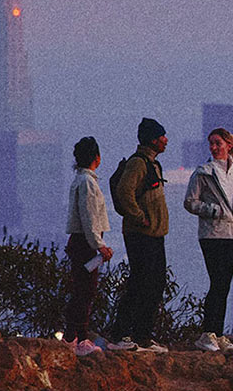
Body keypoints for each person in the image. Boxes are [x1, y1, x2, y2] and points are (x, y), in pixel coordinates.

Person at [183, 126, 233, 351]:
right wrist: (213, 210)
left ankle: (218, 333)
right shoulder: (203, 172)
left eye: (217, 143)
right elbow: (190, 202)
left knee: (224, 284)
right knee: (217, 282)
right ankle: (207, 333)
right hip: (211, 233)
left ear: (228, 145)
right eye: (211, 143)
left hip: (231, 234)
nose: (213, 147)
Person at [107, 117, 173, 351]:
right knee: (139, 284)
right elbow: (125, 192)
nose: (166, 140)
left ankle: (143, 335)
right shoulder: (138, 163)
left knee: (155, 284)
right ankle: (121, 335)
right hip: (141, 235)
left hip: (155, 235)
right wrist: (139, 217)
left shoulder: (153, 164)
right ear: (153, 139)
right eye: (162, 136)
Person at [64, 136, 114, 356]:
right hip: (85, 243)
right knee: (85, 291)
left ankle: (72, 336)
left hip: (81, 242)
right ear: (97, 158)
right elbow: (89, 217)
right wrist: (99, 245)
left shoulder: (81, 180)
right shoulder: (87, 182)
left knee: (81, 290)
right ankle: (79, 339)